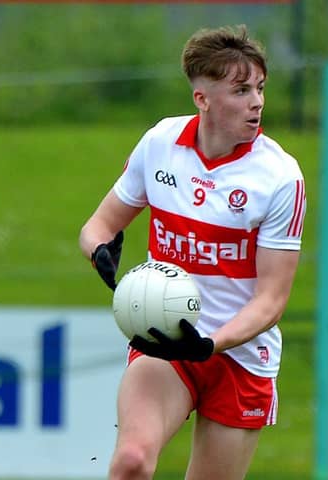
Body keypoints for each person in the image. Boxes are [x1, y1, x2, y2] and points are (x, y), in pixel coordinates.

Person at [80, 24, 306, 480]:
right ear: (202, 99)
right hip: (163, 341)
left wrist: (210, 344)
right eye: (241, 90)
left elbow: (271, 300)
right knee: (130, 462)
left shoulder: (280, 177)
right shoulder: (161, 143)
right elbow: (99, 225)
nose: (257, 101)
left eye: (260, 88)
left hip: (240, 357)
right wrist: (99, 251)